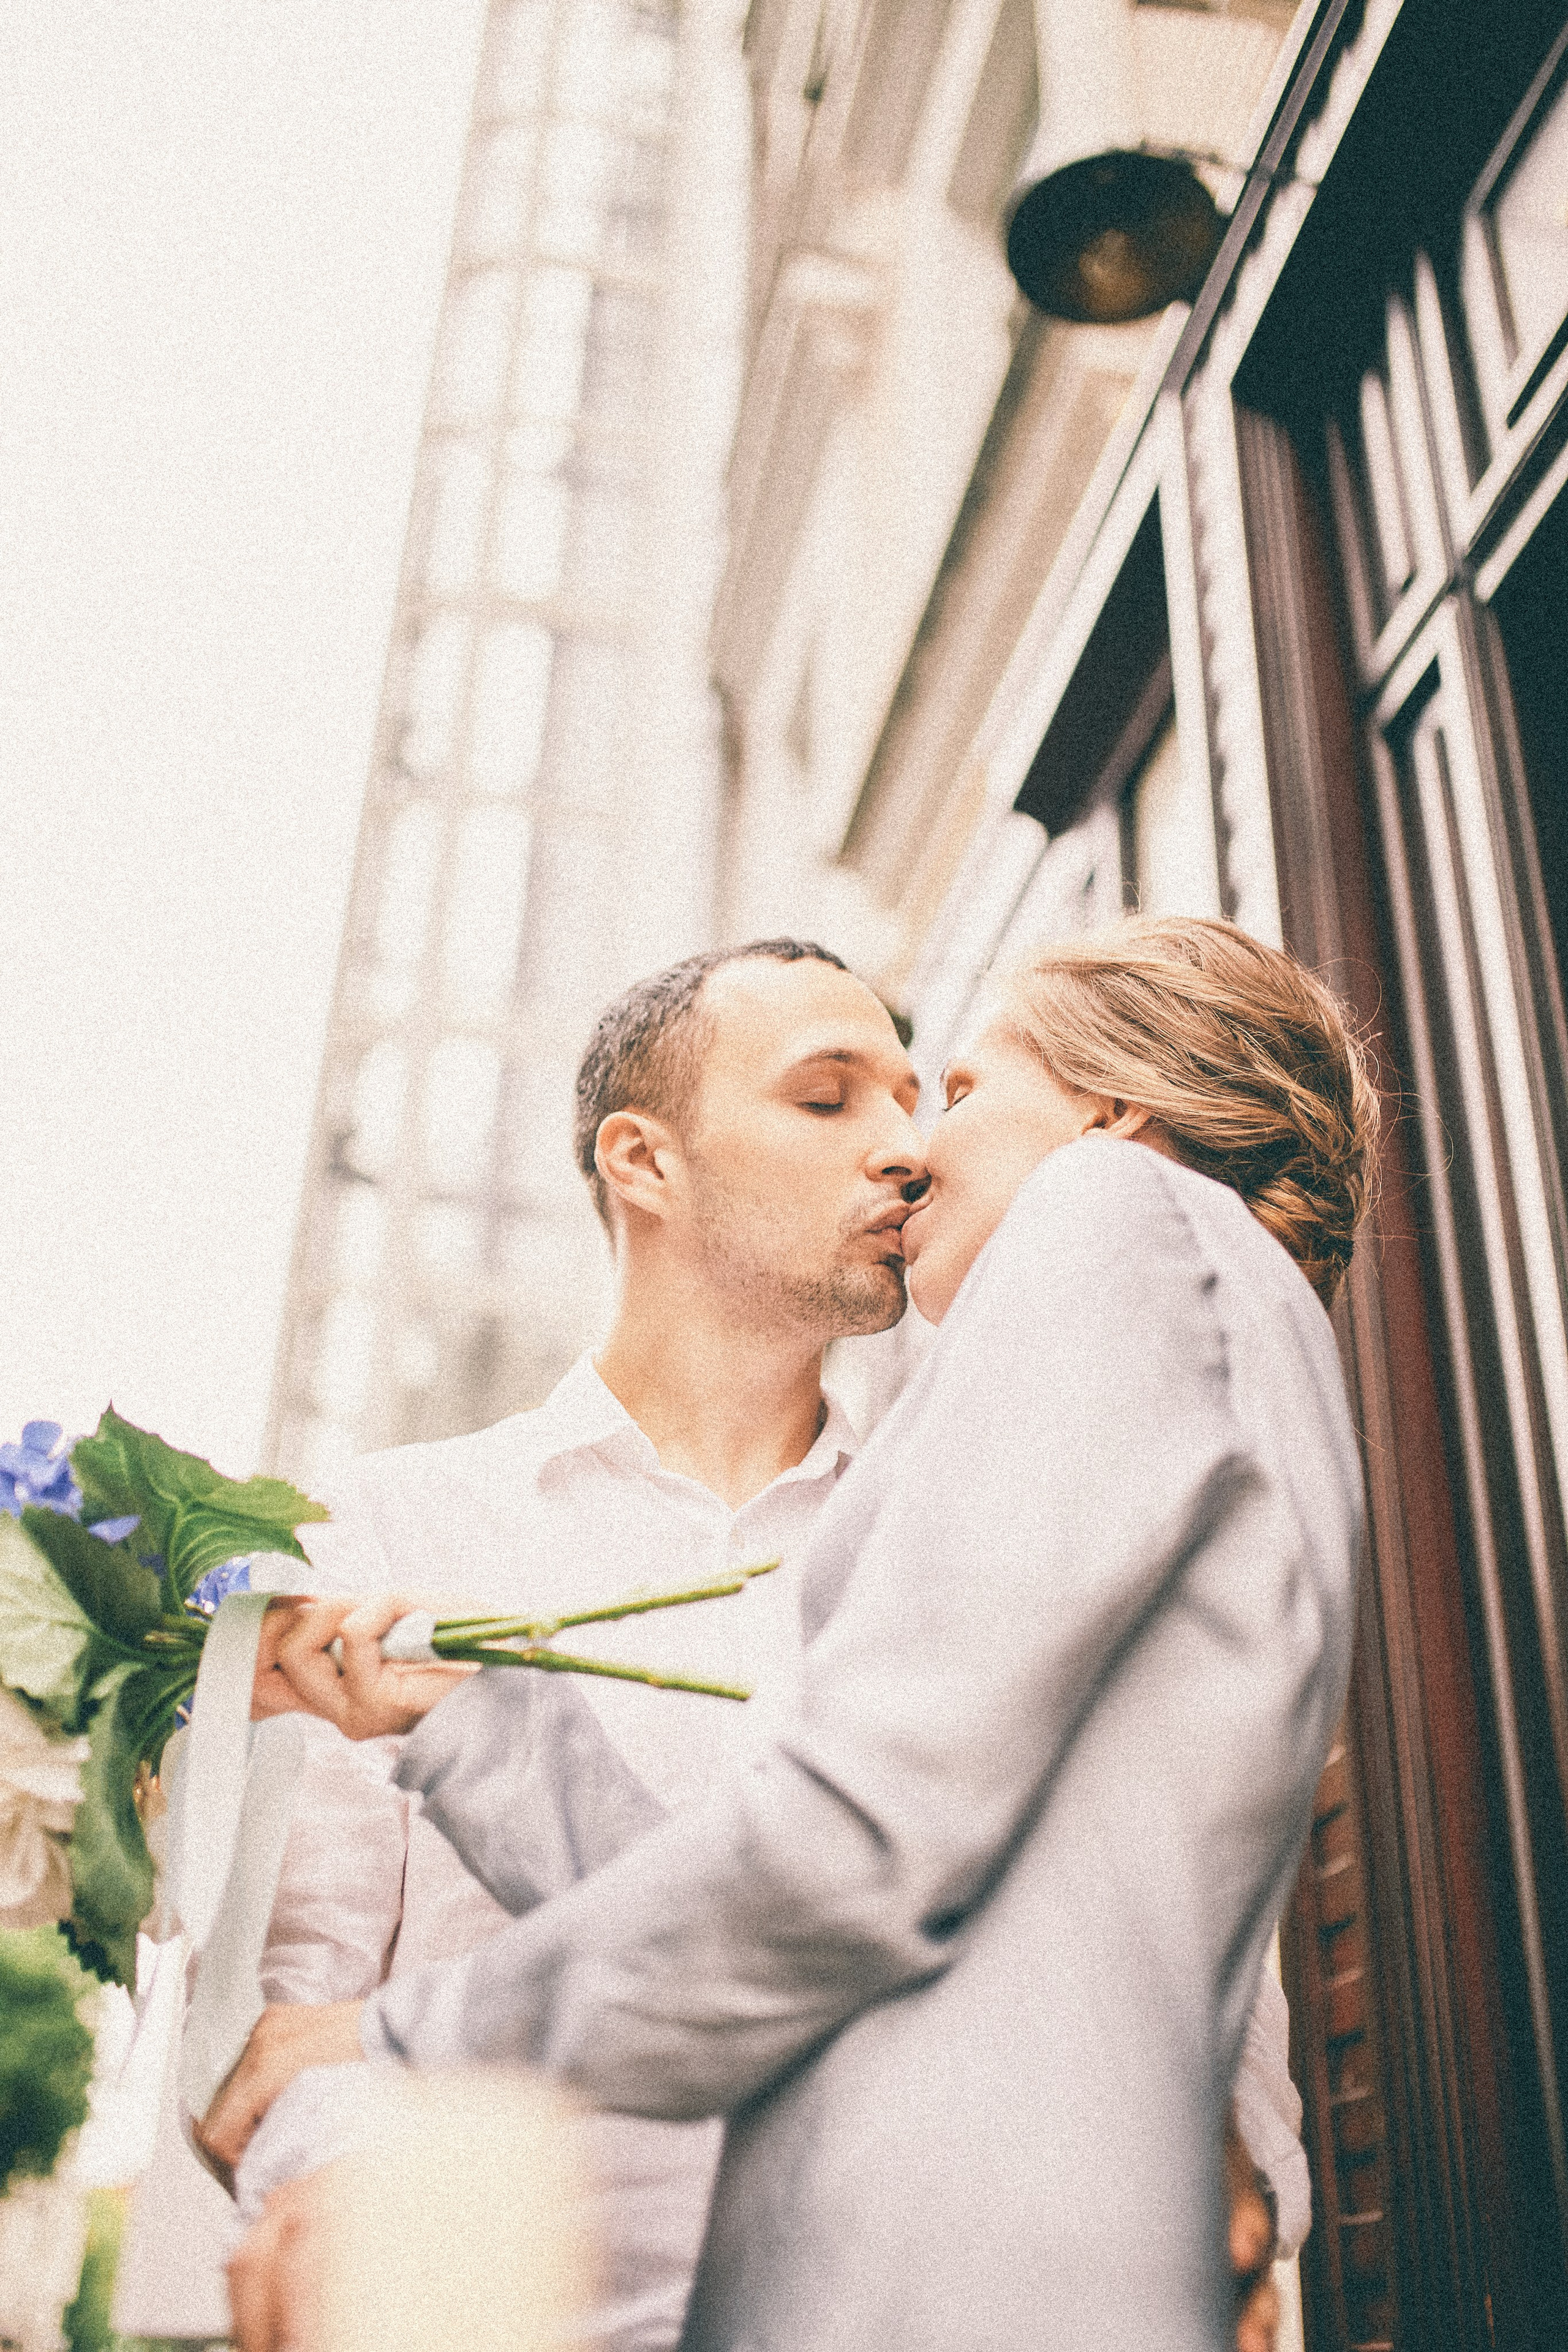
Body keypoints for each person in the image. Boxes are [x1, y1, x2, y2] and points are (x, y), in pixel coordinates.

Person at [206, 916, 1372, 2352]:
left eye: (947, 1090)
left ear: (1111, 1118)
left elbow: (860, 1858)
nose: (907, 1150)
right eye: (837, 1098)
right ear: (640, 1162)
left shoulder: (1110, 1225)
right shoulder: (405, 1518)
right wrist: (467, 1721)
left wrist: (402, 2034)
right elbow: (818, 1920)